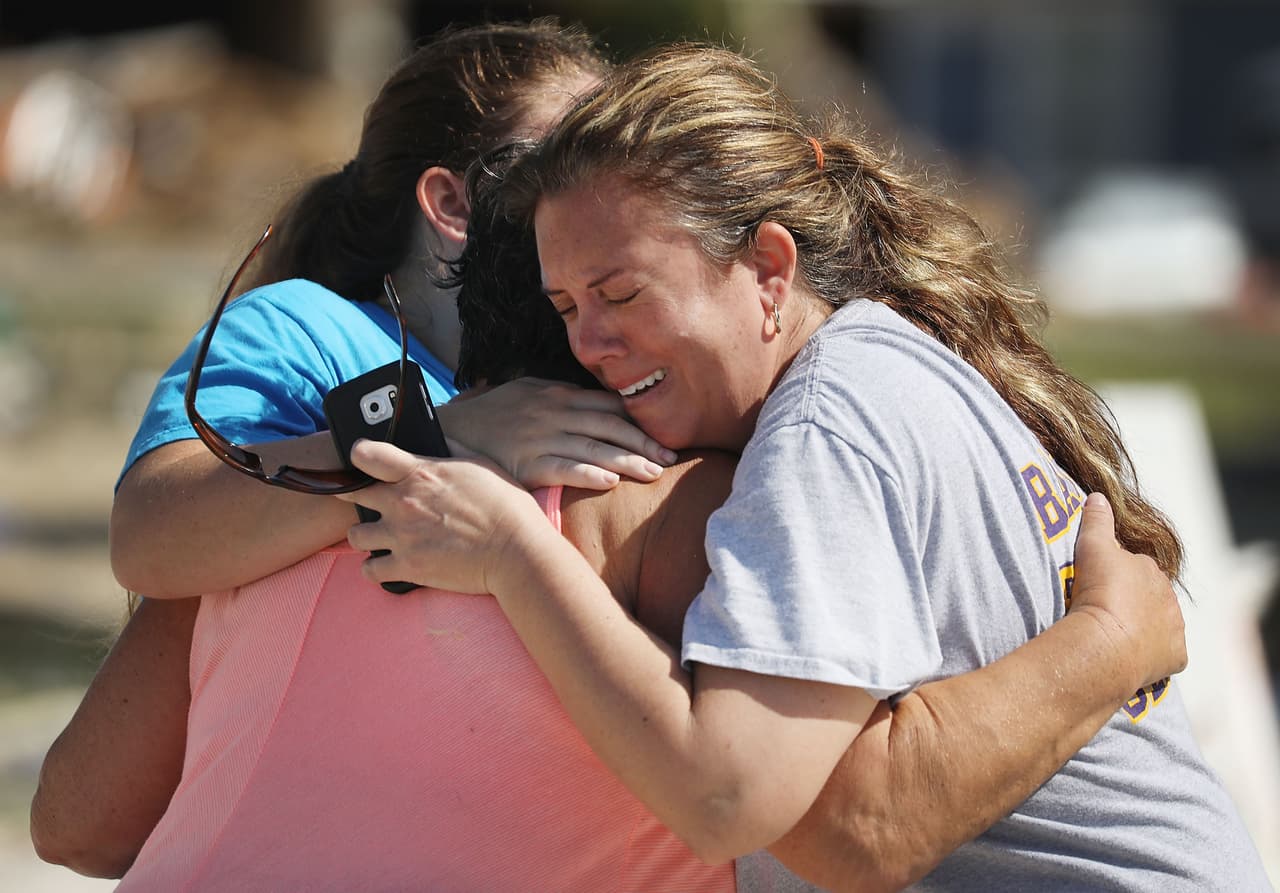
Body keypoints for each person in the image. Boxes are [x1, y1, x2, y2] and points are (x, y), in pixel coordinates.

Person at [33, 143, 1187, 889]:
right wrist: (1108, 642)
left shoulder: (272, 512)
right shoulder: (682, 513)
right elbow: (852, 822)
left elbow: (78, 822)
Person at [343, 45, 1272, 890]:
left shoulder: (826, 422)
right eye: (567, 307)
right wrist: (1108, 645)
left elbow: (774, 808)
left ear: (769, 269)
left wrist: (513, 552)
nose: (589, 342)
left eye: (621, 293)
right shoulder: (878, 366)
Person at [106, 18, 675, 602]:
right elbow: (147, 534)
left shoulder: (589, 350)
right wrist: (439, 435)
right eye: (562, 161)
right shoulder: (306, 325)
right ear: (453, 203)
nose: (601, 186)